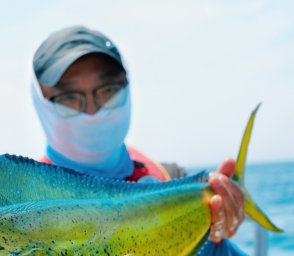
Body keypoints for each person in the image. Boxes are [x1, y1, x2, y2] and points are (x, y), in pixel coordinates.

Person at [30, 26, 246, 255]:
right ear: (39, 100)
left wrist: (212, 242)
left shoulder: (172, 180)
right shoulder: (26, 207)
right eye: (69, 97)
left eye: (108, 90)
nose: (92, 111)